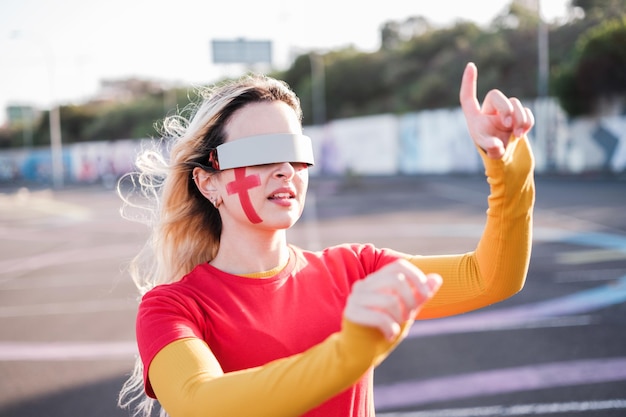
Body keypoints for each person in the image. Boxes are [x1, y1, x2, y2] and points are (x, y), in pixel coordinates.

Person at [117, 62, 535, 417]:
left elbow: (491, 277)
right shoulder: (170, 307)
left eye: (294, 151)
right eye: (258, 153)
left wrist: (509, 168)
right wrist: (349, 353)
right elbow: (202, 404)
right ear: (209, 182)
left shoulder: (355, 269)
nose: (284, 169)